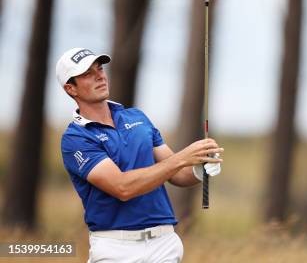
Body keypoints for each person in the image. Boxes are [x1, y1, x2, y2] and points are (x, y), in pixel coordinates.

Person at [56, 47, 223, 263]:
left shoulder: (136, 117)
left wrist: (200, 169)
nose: (99, 76)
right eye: (88, 74)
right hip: (114, 248)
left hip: (164, 243)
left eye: (100, 69)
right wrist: (183, 157)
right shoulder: (76, 138)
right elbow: (122, 187)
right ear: (71, 89)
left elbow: (178, 175)